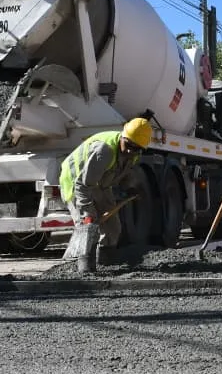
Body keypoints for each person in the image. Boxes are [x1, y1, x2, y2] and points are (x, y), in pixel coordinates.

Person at [59, 117, 153, 273]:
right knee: (88, 226)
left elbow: (124, 173)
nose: (130, 150)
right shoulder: (105, 151)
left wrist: (130, 187)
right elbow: (82, 185)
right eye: (128, 145)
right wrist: (87, 211)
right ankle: (86, 270)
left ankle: (105, 262)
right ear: (123, 136)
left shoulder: (133, 153)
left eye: (136, 148)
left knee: (113, 227)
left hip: (100, 184)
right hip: (76, 182)